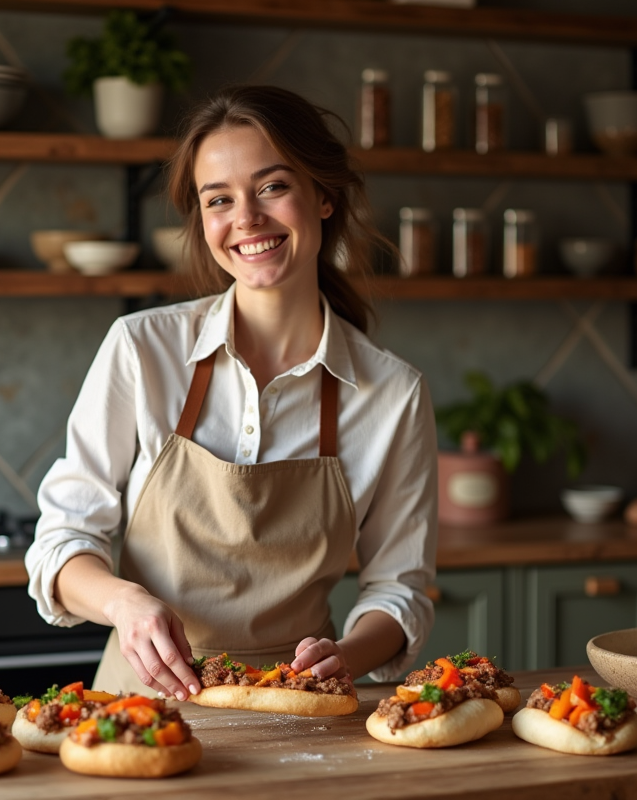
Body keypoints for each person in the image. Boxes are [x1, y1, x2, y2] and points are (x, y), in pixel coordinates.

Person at [25, 85, 438, 701]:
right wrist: (126, 602)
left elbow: (398, 588)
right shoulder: (143, 348)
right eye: (220, 199)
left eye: (272, 187)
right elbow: (62, 540)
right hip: (140, 702)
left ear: (323, 196)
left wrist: (344, 657)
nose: (246, 219)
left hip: (300, 705)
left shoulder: (391, 393)